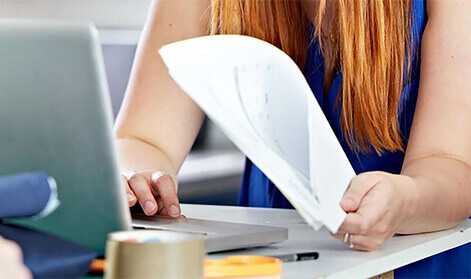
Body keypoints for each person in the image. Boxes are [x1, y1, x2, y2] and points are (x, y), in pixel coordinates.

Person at [115, 0, 471, 277]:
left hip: (415, 260)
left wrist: (405, 201)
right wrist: (137, 179)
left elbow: (451, 165)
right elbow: (144, 139)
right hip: (271, 264)